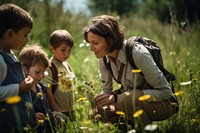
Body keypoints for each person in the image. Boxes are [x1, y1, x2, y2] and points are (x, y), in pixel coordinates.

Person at [83, 15, 177, 131]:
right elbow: (106, 92)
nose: (91, 48)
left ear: (110, 39)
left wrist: (119, 98)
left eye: (95, 43)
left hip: (163, 104)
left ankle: (150, 131)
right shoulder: (103, 58)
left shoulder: (137, 53)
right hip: (131, 102)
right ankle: (130, 128)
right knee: (97, 113)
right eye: (89, 43)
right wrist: (100, 105)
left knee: (125, 99)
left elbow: (166, 91)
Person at [0, 3, 34, 133]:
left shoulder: (10, 56)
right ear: (10, 34)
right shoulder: (1, 60)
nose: (27, 39)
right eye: (25, 35)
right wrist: (19, 88)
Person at [18, 45, 67, 132]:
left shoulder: (42, 87)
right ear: (25, 70)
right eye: (37, 72)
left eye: (43, 71)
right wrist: (32, 117)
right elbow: (18, 114)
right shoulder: (22, 90)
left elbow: (46, 109)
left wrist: (53, 115)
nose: (42, 75)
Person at [43, 29, 76, 122]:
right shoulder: (49, 66)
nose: (67, 54)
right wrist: (56, 111)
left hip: (70, 109)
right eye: (63, 50)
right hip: (59, 111)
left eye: (69, 50)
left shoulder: (66, 64)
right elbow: (48, 92)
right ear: (52, 48)